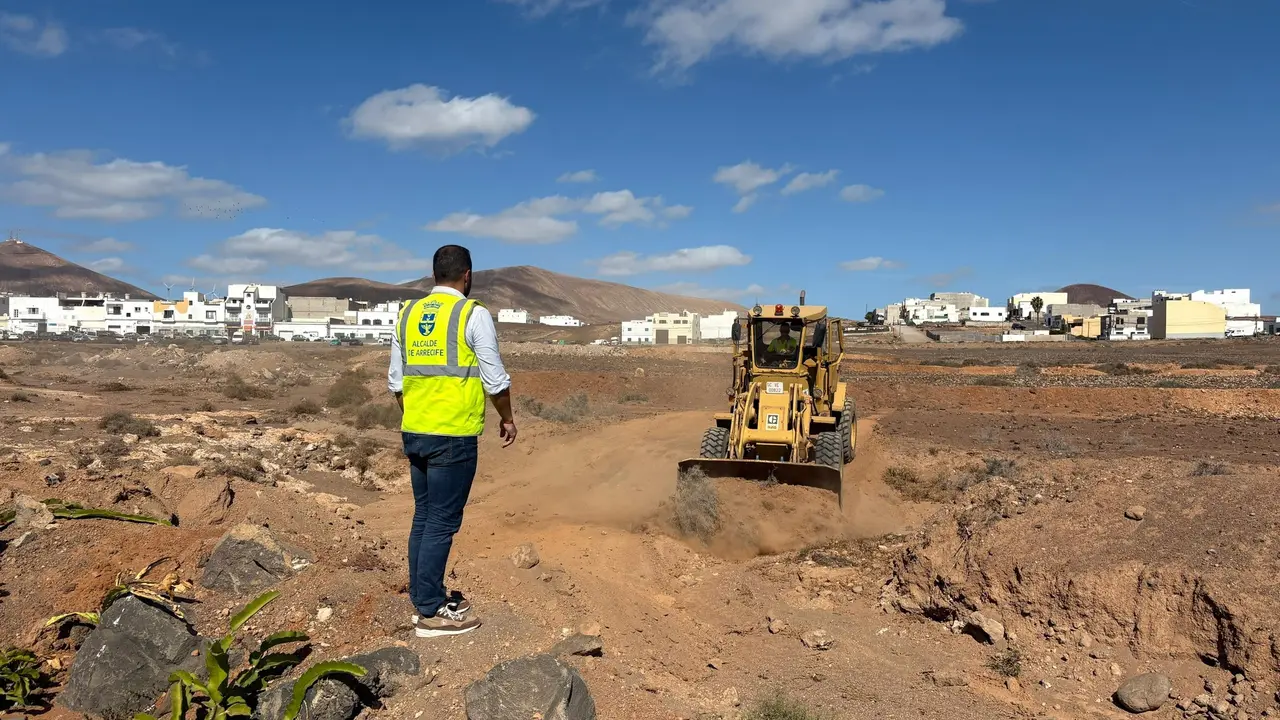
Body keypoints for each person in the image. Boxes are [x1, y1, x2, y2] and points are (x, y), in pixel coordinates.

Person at [387, 244, 517, 638]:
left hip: (416, 430)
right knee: (442, 521)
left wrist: (418, 417)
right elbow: (495, 378)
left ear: (434, 275)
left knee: (424, 516)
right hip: (453, 436)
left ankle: (424, 594)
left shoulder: (407, 314)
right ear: (467, 275)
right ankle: (430, 610)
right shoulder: (471, 313)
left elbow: (396, 382)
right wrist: (508, 418)